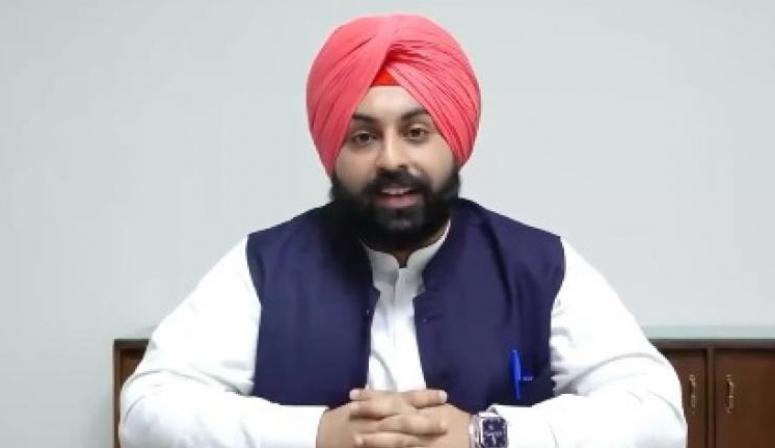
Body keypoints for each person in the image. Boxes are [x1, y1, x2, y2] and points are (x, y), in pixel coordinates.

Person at [119, 13, 686, 448]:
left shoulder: (535, 264)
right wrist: (316, 435)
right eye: (363, 137)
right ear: (333, 151)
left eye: (416, 132)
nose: (391, 159)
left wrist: (485, 436)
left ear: (453, 143)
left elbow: (657, 414)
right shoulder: (268, 265)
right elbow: (147, 409)